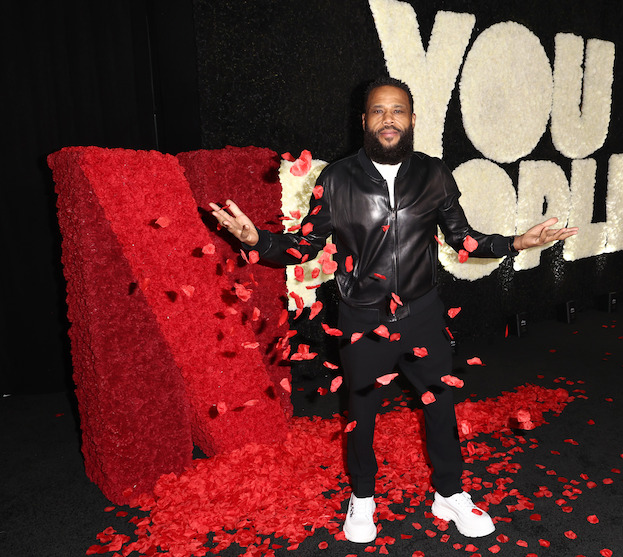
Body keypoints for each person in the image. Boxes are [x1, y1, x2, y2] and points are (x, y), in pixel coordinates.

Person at [210, 76, 578, 543]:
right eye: (379, 111)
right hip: (362, 319)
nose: (389, 119)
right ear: (363, 121)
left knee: (441, 407)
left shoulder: (435, 174)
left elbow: (463, 239)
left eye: (398, 111)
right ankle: (362, 498)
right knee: (360, 415)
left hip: (423, 315)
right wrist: (255, 241)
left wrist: (519, 241)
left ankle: (449, 494)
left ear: (412, 119)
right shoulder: (337, 178)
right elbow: (304, 246)